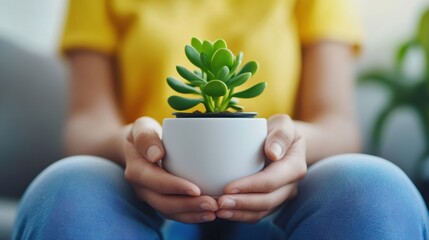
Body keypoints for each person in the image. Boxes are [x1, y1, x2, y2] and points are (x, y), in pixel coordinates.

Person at [13, 0, 429, 239]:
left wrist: (290, 142)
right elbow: (86, 122)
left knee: (377, 190)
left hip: (284, 199)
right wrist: (131, 140)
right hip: (142, 200)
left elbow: (338, 124)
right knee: (65, 190)